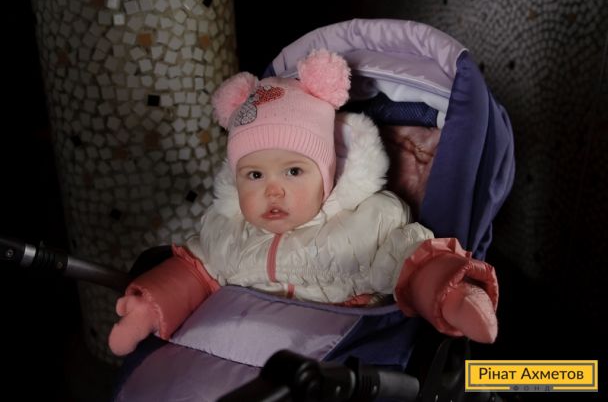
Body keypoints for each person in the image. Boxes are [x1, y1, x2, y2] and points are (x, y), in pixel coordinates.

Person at [109, 49, 498, 356]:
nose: (272, 191)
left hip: (327, 355)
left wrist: (450, 293)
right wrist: (151, 306)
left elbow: (416, 262)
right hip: (230, 347)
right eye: (255, 175)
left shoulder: (367, 223)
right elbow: (194, 272)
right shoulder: (226, 230)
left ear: (326, 175)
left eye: (293, 171)